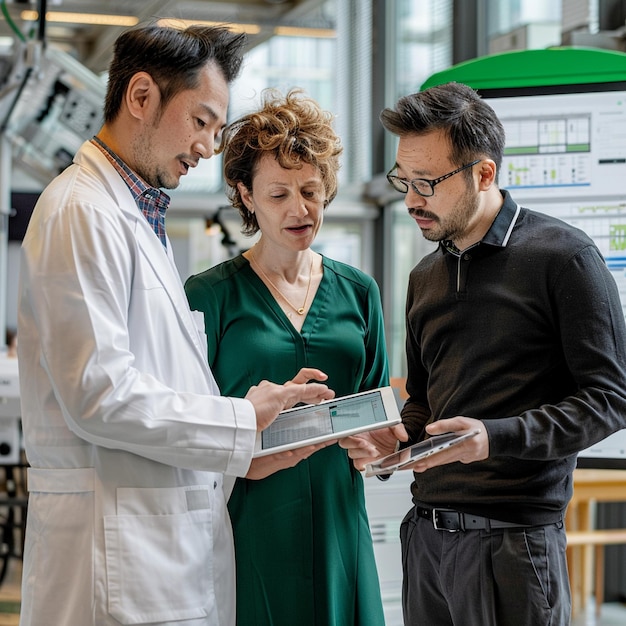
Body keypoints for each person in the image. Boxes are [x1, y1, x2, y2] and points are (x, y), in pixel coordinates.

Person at [16, 24, 334, 626]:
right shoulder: (82, 212)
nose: (211, 147)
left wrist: (243, 451)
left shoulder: (135, 217)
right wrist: (242, 419)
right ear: (142, 97)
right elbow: (100, 395)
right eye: (202, 121)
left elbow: (162, 388)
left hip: (156, 552)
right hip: (114, 559)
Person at [342, 81, 626, 626]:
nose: (410, 200)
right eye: (404, 180)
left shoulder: (565, 258)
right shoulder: (425, 275)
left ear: (484, 173)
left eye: (426, 183)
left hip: (514, 546)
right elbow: (426, 400)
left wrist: (494, 438)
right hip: (425, 537)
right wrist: (396, 440)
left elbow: (609, 399)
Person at [185, 88, 401, 626]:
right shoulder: (208, 296)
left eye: (311, 191)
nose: (299, 210)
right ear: (246, 195)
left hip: (339, 521)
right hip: (250, 519)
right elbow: (185, 426)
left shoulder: (358, 291)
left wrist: (380, 448)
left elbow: (376, 411)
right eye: (278, 193)